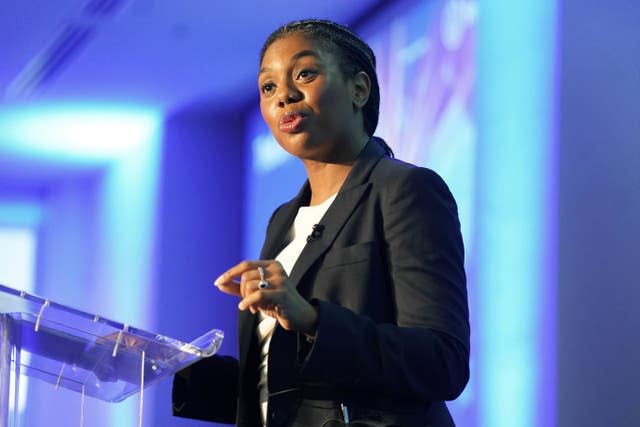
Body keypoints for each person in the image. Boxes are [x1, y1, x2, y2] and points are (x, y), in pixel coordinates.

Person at [172, 19, 469, 427]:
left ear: (359, 89)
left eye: (305, 74)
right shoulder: (283, 220)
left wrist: (312, 319)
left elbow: (441, 361)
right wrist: (163, 362)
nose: (285, 96)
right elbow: (291, 388)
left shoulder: (406, 189)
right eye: (268, 87)